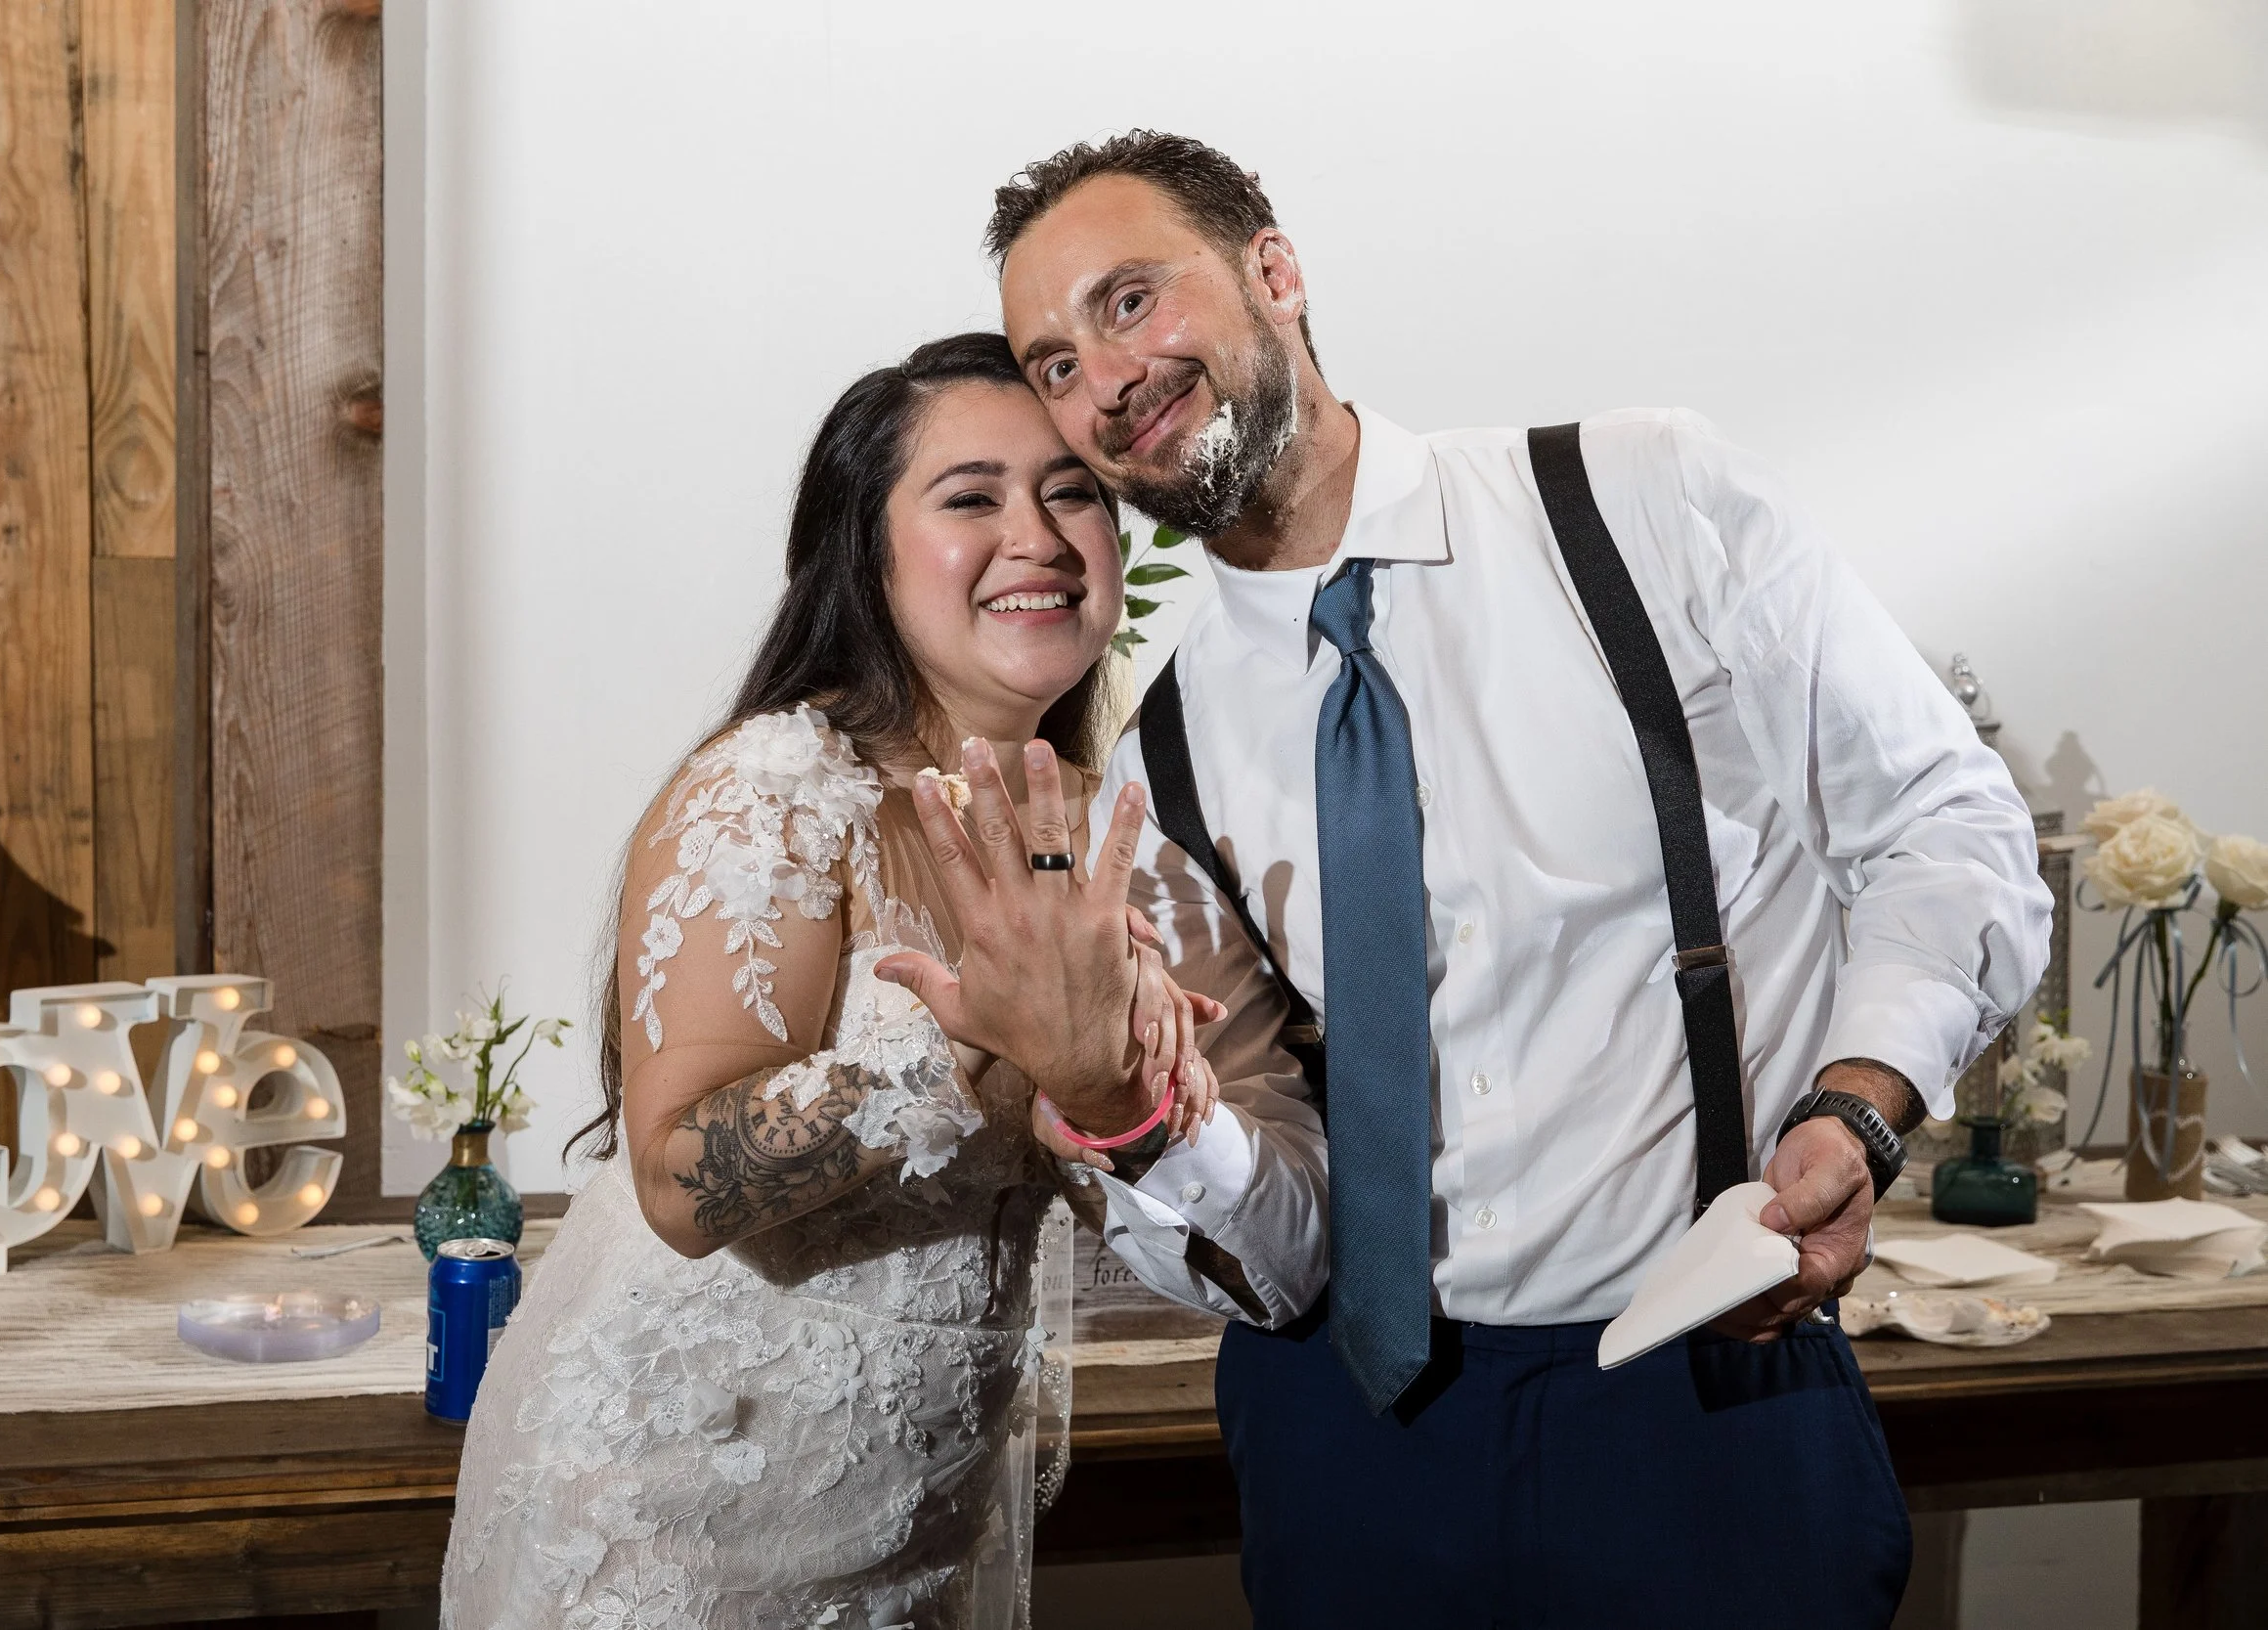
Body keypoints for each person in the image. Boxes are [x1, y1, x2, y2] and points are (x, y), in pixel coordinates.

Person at [873, 133, 2053, 1627]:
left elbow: (1948, 824)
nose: (1104, 378)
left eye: (1129, 300)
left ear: (1275, 272)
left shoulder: (1640, 501)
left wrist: (1859, 1107)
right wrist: (1123, 1108)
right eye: (1054, 361)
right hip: (1352, 1442)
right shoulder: (1155, 765)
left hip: (1705, 1397)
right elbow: (1284, 1243)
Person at [441, 331, 1216, 1630]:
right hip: (667, 1522)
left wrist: (1138, 1092)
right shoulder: (779, 792)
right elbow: (682, 1184)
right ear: (865, 554)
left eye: (1071, 492)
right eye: (970, 498)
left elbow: (1108, 1172)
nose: (1035, 536)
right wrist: (960, 1044)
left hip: (910, 1526)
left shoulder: (1104, 831)